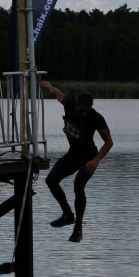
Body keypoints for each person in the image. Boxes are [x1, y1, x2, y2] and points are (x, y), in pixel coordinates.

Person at [39, 80, 113, 243]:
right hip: (73, 154)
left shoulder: (96, 118)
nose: (84, 114)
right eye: (82, 110)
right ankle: (67, 215)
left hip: (89, 157)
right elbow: (58, 94)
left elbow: (109, 142)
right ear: (77, 104)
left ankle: (78, 228)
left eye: (87, 111)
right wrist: (48, 86)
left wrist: (95, 161)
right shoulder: (69, 103)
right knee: (51, 180)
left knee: (78, 186)